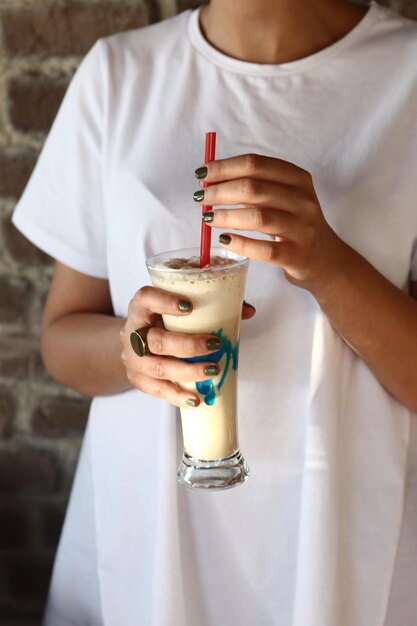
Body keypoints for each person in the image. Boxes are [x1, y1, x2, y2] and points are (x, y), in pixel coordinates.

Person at [12, 0, 417, 624]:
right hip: (146, 535)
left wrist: (330, 264)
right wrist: (134, 350)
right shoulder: (120, 74)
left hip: (341, 535)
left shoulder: (407, 74)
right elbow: (61, 341)